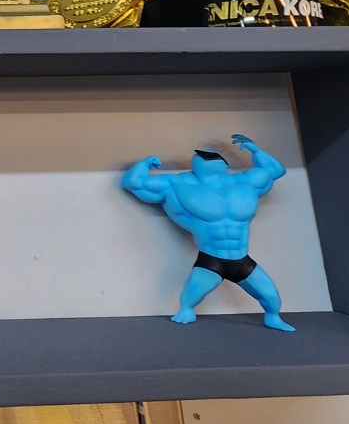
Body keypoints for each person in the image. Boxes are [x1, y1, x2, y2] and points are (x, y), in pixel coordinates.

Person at [121, 134, 295, 331]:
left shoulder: (244, 182)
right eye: (206, 156)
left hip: (243, 259)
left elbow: (275, 170)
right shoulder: (179, 184)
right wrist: (145, 163)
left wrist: (256, 151)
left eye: (216, 156)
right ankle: (186, 310)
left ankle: (273, 318)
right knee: (190, 299)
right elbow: (133, 182)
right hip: (211, 260)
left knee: (271, 297)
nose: (212, 158)